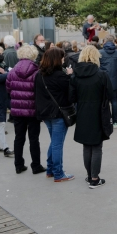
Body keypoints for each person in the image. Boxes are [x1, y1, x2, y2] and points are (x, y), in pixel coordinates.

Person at [70, 45, 113, 188]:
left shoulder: (75, 75)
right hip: (98, 113)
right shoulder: (101, 75)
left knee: (86, 146)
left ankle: (90, 175)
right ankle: (94, 178)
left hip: (82, 112)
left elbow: (71, 97)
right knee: (97, 147)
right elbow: (110, 94)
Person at [35, 47, 74, 182]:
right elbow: (70, 93)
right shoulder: (60, 76)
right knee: (57, 144)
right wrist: (70, 76)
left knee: (54, 142)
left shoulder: (39, 74)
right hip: (58, 112)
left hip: (45, 113)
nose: (64, 59)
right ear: (57, 59)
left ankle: (51, 169)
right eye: (62, 57)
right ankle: (58, 173)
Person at [6, 44, 46, 175]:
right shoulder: (37, 72)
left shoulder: (12, 72)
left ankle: (18, 165)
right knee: (34, 138)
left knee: (19, 137)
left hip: (17, 110)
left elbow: (8, 89)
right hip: (32, 109)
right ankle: (36, 165)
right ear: (34, 55)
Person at [99, 35, 117, 129]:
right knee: (114, 101)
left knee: (104, 101)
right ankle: (115, 121)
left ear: (104, 41)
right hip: (115, 79)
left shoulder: (100, 52)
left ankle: (106, 119)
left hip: (104, 78)